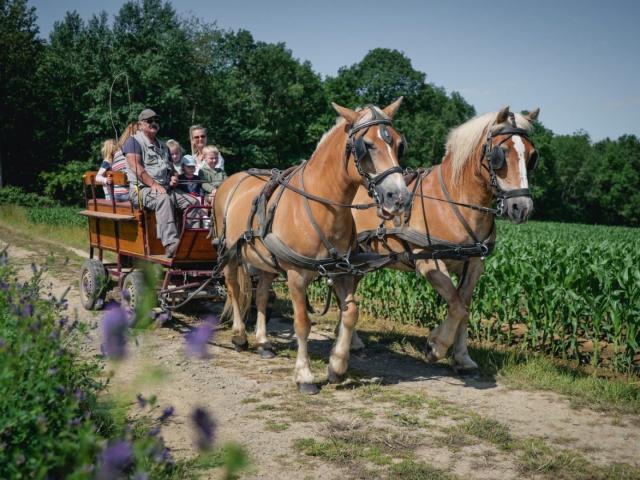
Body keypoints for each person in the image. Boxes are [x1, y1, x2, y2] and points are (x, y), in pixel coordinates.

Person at [123, 108, 200, 258]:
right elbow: (136, 167)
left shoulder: (164, 146)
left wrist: (173, 177)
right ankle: (171, 244)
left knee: (193, 203)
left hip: (165, 189)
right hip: (141, 190)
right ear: (140, 125)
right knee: (163, 199)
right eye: (149, 121)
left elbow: (170, 170)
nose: (154, 123)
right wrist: (153, 184)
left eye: (156, 121)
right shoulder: (133, 142)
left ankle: (193, 242)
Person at [96, 137, 130, 202]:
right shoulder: (107, 162)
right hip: (113, 195)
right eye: (114, 144)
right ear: (110, 148)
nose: (116, 146)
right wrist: (106, 180)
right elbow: (97, 177)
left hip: (118, 194)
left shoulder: (119, 159)